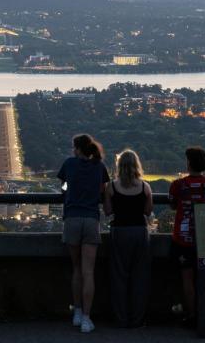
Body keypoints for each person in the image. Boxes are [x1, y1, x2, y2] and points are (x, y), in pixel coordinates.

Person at [57, 134, 110, 333]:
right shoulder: (100, 166)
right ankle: (87, 318)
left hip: (72, 217)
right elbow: (102, 191)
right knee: (89, 271)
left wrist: (68, 192)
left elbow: (62, 186)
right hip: (91, 219)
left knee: (77, 268)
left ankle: (77, 312)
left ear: (77, 149)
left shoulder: (69, 164)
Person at [168, 146, 205, 327]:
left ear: (188, 163)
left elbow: (173, 206)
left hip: (183, 238)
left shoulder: (178, 185)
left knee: (187, 279)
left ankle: (192, 315)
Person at [103, 149, 153, 328]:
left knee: (119, 276)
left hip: (119, 231)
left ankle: (121, 319)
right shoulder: (145, 187)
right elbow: (147, 212)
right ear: (136, 165)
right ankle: (137, 319)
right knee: (140, 277)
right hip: (139, 231)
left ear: (119, 165)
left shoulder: (112, 187)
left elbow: (108, 212)